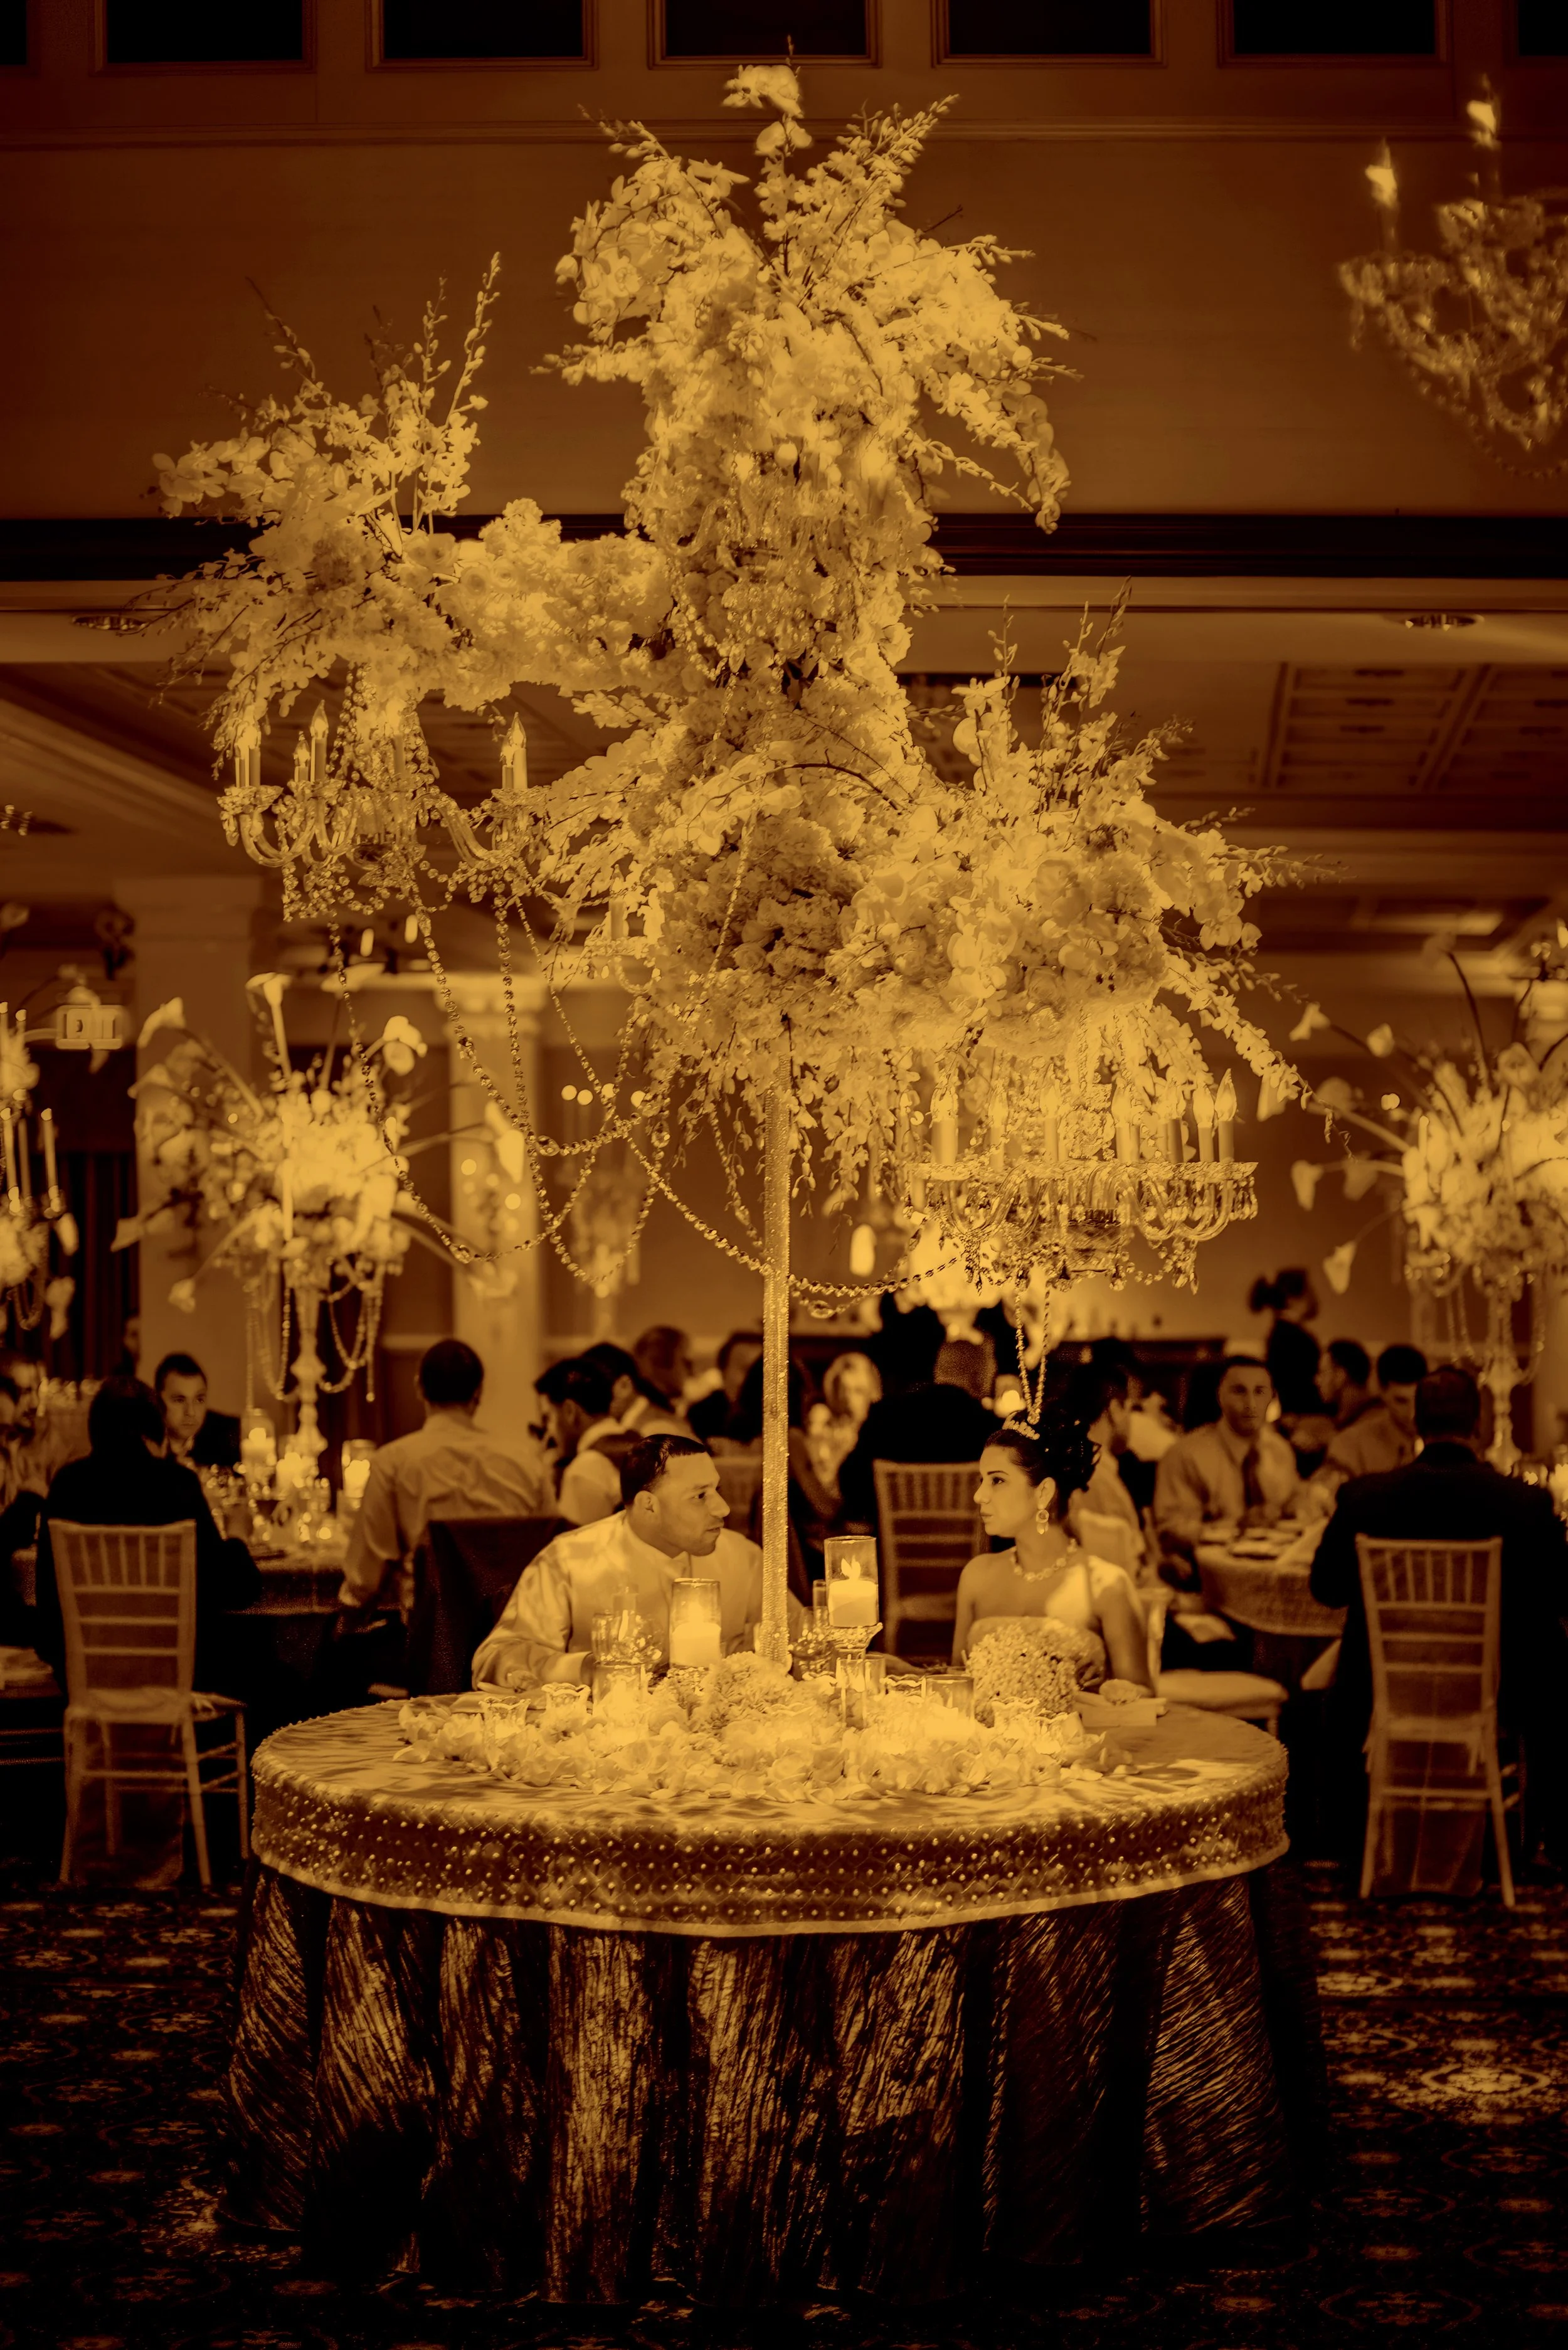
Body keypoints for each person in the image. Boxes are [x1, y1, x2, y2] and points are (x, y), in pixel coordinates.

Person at [1310, 1364, 1568, 1871]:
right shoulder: (1526, 1503)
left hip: (1387, 1688)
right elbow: (1562, 1592)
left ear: (1417, 1425)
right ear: (1479, 1426)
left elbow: (1327, 1588)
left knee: (1330, 1682)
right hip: (1501, 1688)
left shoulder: (1365, 1498)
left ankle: (1345, 1839)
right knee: (1558, 1666)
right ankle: (1550, 1838)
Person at [473, 1433, 783, 1690]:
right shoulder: (570, 1560)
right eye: (700, 1496)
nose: (723, 1508)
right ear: (649, 1506)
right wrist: (584, 1669)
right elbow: (496, 1658)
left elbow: (796, 1636)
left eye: (717, 1490)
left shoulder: (743, 1557)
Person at [33, 1377, 261, 1695]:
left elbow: (46, 1608)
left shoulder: (66, 1486)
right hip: (178, 1682)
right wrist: (237, 1534)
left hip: (86, 1684)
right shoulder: (177, 1485)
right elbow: (239, 1588)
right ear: (156, 1431)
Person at [336, 1339, 551, 1616]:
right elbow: (550, 1551)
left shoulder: (394, 1461)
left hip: (430, 1638)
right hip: (512, 1626)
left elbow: (365, 1577)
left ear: (419, 1388)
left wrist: (345, 1614)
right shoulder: (526, 1461)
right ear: (479, 1392)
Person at [951, 1418, 1151, 1689]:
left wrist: (1105, 1686)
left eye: (997, 1480)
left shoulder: (1108, 1587)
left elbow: (1142, 1698)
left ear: (1043, 1492)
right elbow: (956, 1687)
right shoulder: (977, 1576)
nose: (979, 1495)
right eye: (982, 1480)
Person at [1152, 1355, 1300, 1560]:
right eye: (1239, 1391)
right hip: (1208, 1576)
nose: (1251, 1403)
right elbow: (1170, 1529)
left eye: (1260, 1392)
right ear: (1220, 1396)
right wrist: (1237, 1527)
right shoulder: (1186, 1455)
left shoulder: (1280, 1450)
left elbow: (1295, 1505)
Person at [837, 1358, 997, 1533]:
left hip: (897, 1549)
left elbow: (850, 1482)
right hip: (971, 1549)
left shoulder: (884, 1418)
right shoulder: (980, 1421)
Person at [1316, 1343, 1428, 1488]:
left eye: (1419, 1400)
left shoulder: (1441, 1438)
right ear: (1381, 1391)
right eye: (1401, 1401)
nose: (1412, 1413)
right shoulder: (1351, 1445)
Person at [1062, 1362, 1143, 1554]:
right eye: (1129, 1409)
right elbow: (1123, 1563)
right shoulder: (1096, 1476)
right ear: (1114, 1409)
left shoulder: (1067, 1463)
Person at [536, 1355, 623, 1527]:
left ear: (570, 1411)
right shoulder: (641, 1442)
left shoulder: (585, 1468)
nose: (549, 1433)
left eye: (550, 1417)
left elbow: (574, 1548)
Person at [1249, 1269, 1323, 1423]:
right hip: (1306, 1420)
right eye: (1309, 1292)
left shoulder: (1281, 1334)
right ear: (1292, 1299)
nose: (1314, 1298)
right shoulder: (1293, 1338)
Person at [804, 1349, 882, 1491]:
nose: (848, 1399)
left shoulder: (878, 1431)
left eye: (858, 1391)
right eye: (844, 1390)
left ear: (871, 1392)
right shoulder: (825, 1426)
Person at [153, 1351, 241, 1471]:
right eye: (179, 1400)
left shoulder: (226, 1436)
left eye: (199, 1400)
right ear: (158, 1400)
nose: (191, 1412)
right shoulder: (144, 1441)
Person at [688, 1330, 764, 1444]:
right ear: (724, 1372)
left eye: (760, 1370)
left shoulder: (777, 1416)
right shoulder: (700, 1414)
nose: (755, 1377)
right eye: (746, 1369)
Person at [632, 1325, 694, 1422]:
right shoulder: (655, 1418)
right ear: (659, 1363)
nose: (691, 1371)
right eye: (686, 1363)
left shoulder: (636, 1407)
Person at [1319, 1338, 1374, 1430]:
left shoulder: (1371, 1422)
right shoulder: (1350, 1419)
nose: (1317, 1381)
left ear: (1340, 1376)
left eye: (1323, 1373)